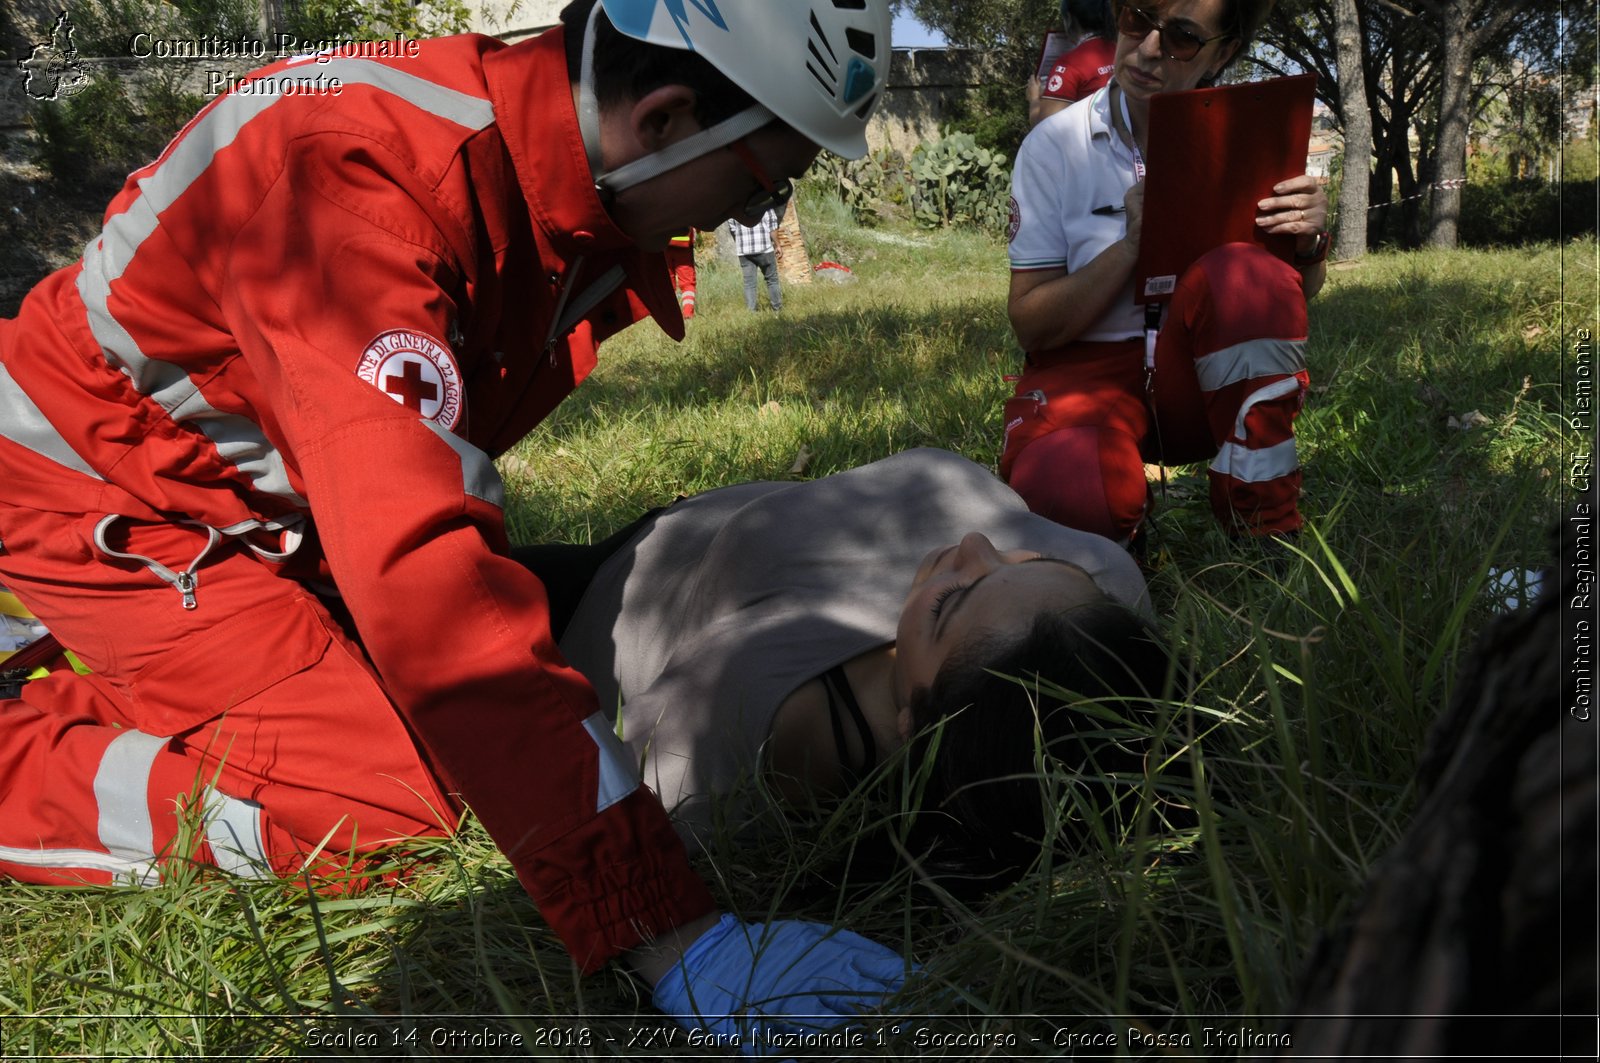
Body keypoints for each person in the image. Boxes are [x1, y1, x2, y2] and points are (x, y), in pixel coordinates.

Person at [0, 0, 909, 1042]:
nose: (755, 211)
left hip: (268, 511)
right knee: (379, 811)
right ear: (661, 119)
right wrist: (672, 932)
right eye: (763, 183)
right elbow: (423, 573)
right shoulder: (358, 185)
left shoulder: (543, 176)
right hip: (108, 493)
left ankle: (114, 672)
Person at [517, 448, 1178, 883]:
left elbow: (606, 839)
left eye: (949, 604)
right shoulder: (1101, 604)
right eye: (1036, 564)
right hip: (702, 524)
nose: (976, 544)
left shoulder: (753, 715)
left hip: (602, 595)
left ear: (914, 722)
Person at [1004, 0, 1329, 544]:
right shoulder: (1054, 146)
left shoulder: (1252, 137)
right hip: (1087, 374)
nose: (1148, 49)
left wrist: (1309, 242)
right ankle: (1114, 510)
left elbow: (1292, 294)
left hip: (1197, 378)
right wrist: (1133, 245)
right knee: (1072, 494)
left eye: (1180, 37)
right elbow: (1031, 324)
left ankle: (1264, 530)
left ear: (1223, 51)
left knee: (1249, 275)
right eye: (1136, 19)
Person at [1029, 0, 1118, 128]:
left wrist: (1034, 99)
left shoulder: (1068, 64)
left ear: (1069, 19)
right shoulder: (1120, 50)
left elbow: (1045, 129)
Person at [729, 207, 783, 312]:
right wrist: (778, 245)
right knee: (772, 280)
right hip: (764, 249)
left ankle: (751, 312)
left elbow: (733, 229)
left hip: (744, 252)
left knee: (749, 283)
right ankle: (777, 310)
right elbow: (772, 227)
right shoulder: (765, 205)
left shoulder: (735, 207)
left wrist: (741, 243)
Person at [665, 229, 698, 318]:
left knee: (667, 284)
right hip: (684, 245)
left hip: (663, 244)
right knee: (687, 284)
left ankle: (669, 314)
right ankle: (687, 312)